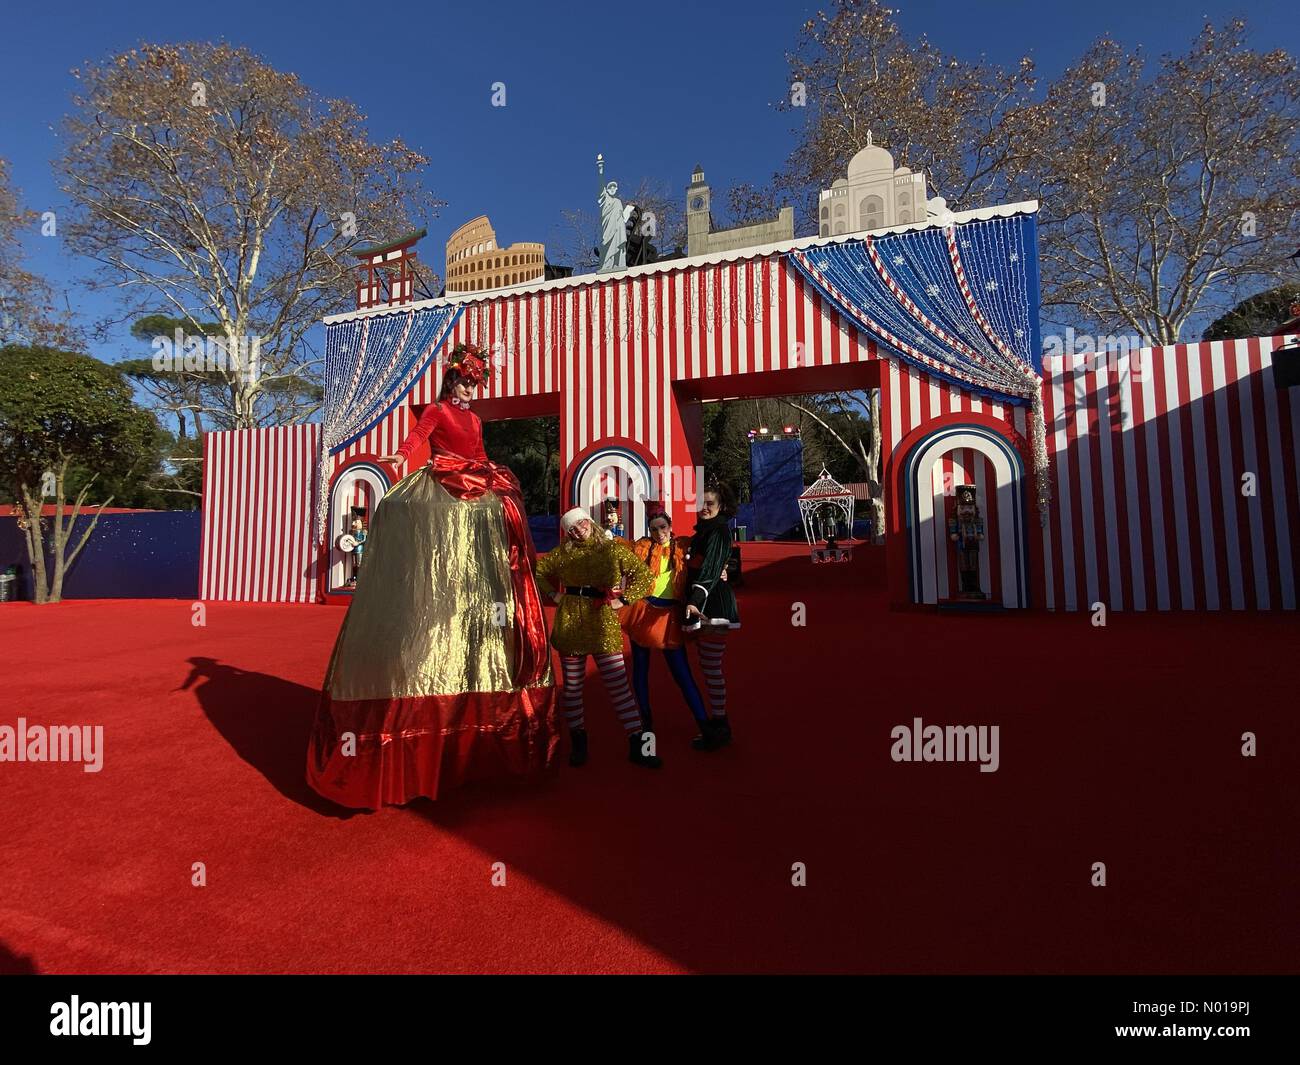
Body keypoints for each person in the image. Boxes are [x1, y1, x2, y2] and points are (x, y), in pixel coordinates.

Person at [306, 343, 557, 809]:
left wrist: (488, 471)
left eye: (473, 383)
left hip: (476, 484)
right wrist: (400, 459)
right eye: (463, 380)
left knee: (493, 527)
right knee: (420, 532)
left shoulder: (476, 419)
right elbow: (418, 434)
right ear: (451, 380)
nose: (467, 388)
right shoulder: (438, 410)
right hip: (441, 483)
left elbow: (479, 450)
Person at [535, 508, 659, 769]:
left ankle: (640, 744)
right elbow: (538, 571)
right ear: (568, 533)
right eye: (572, 528)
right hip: (570, 624)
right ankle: (579, 741)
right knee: (572, 689)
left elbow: (645, 575)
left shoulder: (612, 549)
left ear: (588, 521)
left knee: (619, 688)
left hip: (602, 622)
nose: (579, 529)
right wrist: (554, 596)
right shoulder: (563, 553)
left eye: (581, 523)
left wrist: (623, 600)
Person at [619, 510, 710, 740]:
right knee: (640, 669)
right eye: (653, 529)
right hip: (642, 611)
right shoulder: (642, 547)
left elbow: (706, 557)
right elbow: (620, 552)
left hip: (669, 616)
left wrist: (722, 569)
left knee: (682, 673)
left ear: (670, 526)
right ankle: (645, 722)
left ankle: (704, 724)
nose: (659, 533)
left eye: (662, 527)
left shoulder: (682, 546)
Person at [682, 482, 741, 751]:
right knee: (708, 666)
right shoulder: (707, 530)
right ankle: (718, 722)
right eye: (701, 503)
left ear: (721, 507)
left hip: (712, 604)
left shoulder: (717, 531)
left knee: (711, 667)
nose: (704, 508)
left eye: (710, 504)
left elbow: (710, 568)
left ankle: (720, 725)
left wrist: (695, 600)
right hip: (705, 601)